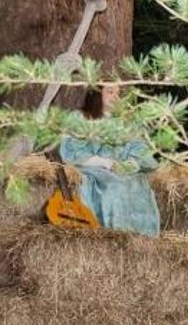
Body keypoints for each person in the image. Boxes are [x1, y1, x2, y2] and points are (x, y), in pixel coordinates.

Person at [59, 83, 160, 235]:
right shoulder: (81, 118)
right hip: (92, 167)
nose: (115, 97)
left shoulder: (128, 121)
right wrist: (105, 163)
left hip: (121, 170)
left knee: (136, 184)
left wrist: (131, 163)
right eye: (110, 92)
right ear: (97, 94)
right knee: (115, 186)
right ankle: (114, 234)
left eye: (118, 93)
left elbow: (139, 148)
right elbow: (73, 153)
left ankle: (141, 240)